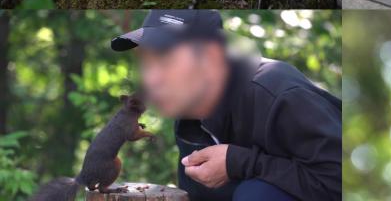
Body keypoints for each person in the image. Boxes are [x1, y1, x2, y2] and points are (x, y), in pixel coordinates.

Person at [111, 10, 342, 201]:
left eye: (166, 60)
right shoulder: (189, 114)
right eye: (146, 61)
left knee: (256, 195)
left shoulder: (278, 94)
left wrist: (239, 162)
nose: (151, 78)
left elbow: (340, 181)